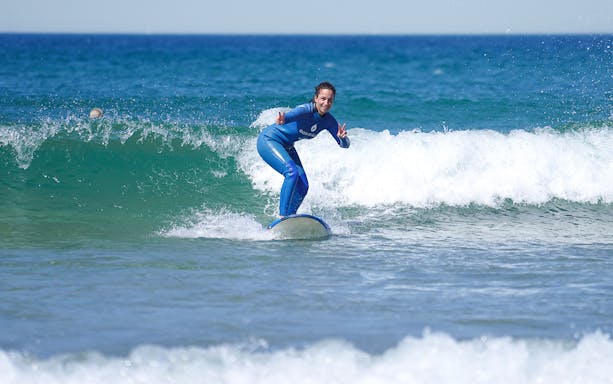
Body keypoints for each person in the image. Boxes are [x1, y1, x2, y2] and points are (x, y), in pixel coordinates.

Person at [257, 81, 350, 218]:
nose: (326, 103)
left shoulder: (328, 120)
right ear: (316, 98)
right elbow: (293, 114)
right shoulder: (306, 110)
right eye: (323, 99)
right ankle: (283, 217)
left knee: (303, 185)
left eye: (330, 100)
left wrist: (342, 138)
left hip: (287, 146)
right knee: (291, 173)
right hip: (269, 140)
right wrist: (285, 118)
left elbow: (344, 145)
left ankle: (291, 218)